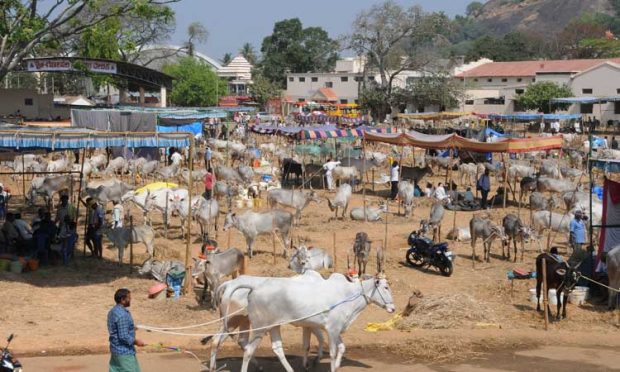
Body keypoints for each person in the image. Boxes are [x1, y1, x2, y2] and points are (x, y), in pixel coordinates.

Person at [108, 289, 145, 372]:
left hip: (115, 350)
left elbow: (116, 329)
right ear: (122, 300)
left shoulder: (113, 311)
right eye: (129, 298)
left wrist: (131, 328)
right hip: (124, 352)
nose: (130, 299)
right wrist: (136, 342)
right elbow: (123, 336)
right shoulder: (123, 315)